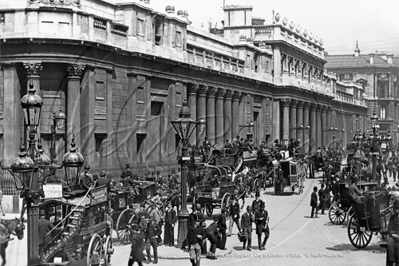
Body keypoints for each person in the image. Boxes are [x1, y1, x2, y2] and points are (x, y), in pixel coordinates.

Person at [386, 199, 399, 266]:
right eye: (396, 208)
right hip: (394, 235)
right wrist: (393, 234)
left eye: (398, 208)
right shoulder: (392, 217)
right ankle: (391, 261)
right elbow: (389, 228)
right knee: (389, 243)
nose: (397, 210)